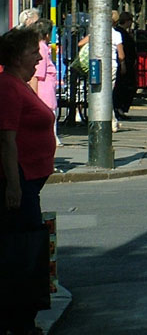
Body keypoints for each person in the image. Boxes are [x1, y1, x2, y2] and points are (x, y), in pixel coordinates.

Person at [0, 27, 57, 335]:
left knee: (25, 247)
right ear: (18, 55)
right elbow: (7, 140)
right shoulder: (8, 86)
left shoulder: (17, 85)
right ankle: (20, 321)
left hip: (27, 181)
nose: (39, 56)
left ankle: (21, 318)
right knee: (23, 251)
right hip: (19, 182)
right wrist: (13, 185)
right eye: (34, 52)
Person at [28, 20, 59, 147]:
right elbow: (36, 76)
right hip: (44, 98)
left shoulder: (41, 47)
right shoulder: (41, 49)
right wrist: (34, 101)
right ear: (47, 34)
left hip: (46, 97)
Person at [114, 12, 137, 119]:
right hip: (123, 65)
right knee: (123, 87)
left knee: (123, 87)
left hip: (126, 64)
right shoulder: (119, 33)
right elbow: (123, 52)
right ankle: (119, 109)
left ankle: (119, 109)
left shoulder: (122, 33)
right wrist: (123, 64)